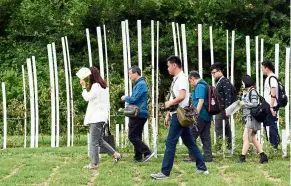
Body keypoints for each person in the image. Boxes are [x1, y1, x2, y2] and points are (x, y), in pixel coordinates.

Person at [151, 56, 208, 180]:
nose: (167, 68)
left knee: (170, 143)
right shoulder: (177, 79)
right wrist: (168, 113)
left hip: (179, 115)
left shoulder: (181, 78)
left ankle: (165, 172)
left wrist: (168, 104)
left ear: (174, 65)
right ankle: (202, 168)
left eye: (168, 66)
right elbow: (175, 97)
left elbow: (181, 96)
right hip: (177, 114)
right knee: (190, 142)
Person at [81, 66, 121, 169]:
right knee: (99, 140)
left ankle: (94, 163)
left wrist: (84, 87)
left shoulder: (95, 86)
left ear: (92, 75)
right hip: (102, 117)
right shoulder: (104, 87)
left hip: (96, 117)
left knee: (93, 141)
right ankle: (116, 154)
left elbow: (87, 97)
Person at [121, 65, 155, 163]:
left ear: (136, 73)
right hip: (139, 113)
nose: (129, 76)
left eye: (130, 74)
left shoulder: (141, 84)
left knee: (132, 136)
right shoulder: (138, 84)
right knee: (137, 136)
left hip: (138, 113)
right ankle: (138, 157)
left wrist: (125, 98)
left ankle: (147, 152)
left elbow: (134, 99)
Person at [237, 75, 268, 163]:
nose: (242, 84)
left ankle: (242, 157)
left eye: (243, 82)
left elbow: (254, 104)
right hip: (250, 118)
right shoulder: (248, 91)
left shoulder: (252, 91)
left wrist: (244, 104)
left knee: (246, 137)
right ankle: (263, 156)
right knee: (253, 138)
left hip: (252, 118)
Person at [184, 71, 213, 162]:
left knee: (191, 135)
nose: (190, 83)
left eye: (190, 81)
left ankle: (192, 156)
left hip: (200, 115)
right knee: (205, 136)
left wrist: (195, 114)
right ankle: (208, 156)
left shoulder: (200, 86)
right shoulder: (205, 84)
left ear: (192, 78)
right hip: (207, 115)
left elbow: (201, 101)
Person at [210, 62, 236, 155]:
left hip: (222, 110)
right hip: (220, 109)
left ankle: (219, 149)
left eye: (214, 72)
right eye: (212, 73)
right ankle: (228, 149)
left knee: (219, 128)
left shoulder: (224, 81)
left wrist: (227, 111)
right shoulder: (219, 81)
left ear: (220, 71)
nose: (213, 75)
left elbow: (228, 97)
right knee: (226, 129)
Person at [261, 60, 280, 150]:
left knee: (271, 125)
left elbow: (273, 93)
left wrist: (271, 106)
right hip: (268, 105)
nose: (262, 70)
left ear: (267, 67)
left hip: (271, 105)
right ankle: (272, 144)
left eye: (262, 68)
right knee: (268, 124)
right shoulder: (270, 77)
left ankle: (274, 146)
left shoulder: (272, 78)